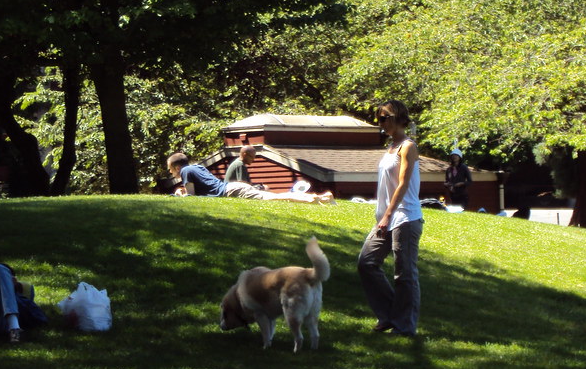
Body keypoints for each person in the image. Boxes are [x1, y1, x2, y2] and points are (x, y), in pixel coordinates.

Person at [357, 100, 424, 337]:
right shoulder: (390, 147)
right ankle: (388, 316)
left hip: (405, 217)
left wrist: (387, 215)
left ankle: (405, 326)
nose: (380, 123)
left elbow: (404, 184)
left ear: (395, 117)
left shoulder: (408, 146)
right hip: (386, 218)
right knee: (366, 263)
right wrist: (383, 217)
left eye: (383, 118)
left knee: (404, 273)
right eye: (378, 119)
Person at [166, 153, 334, 204]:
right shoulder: (197, 167)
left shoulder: (185, 171)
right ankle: (321, 198)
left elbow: (192, 198)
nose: (171, 173)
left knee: (276, 197)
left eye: (171, 170)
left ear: (177, 167)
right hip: (233, 187)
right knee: (273, 197)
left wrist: (179, 195)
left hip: (230, 191)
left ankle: (318, 198)